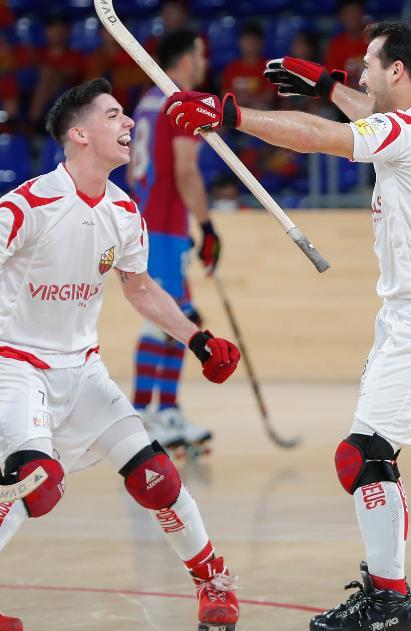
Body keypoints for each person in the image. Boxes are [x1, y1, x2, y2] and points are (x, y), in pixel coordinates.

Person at [166, 21, 411, 631]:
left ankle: (390, 599)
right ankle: (386, 593)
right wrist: (329, 83)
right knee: (372, 458)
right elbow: (363, 120)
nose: (361, 74)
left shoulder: (409, 133)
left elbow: (326, 138)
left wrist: (227, 113)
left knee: (360, 457)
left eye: (367, 65)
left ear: (397, 72)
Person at [0, 78, 242, 631]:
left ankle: (213, 580)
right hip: (15, 366)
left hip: (83, 372)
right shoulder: (27, 205)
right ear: (79, 134)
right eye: (115, 116)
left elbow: (140, 289)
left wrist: (199, 339)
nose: (129, 125)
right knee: (33, 480)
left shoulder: (123, 211)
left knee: (156, 477)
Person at [127, 30, 221, 454]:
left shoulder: (147, 102)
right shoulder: (180, 102)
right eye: (200, 54)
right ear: (186, 59)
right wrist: (207, 227)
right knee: (168, 320)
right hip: (162, 226)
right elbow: (186, 171)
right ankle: (144, 415)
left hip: (153, 223)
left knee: (179, 317)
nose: (204, 61)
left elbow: (133, 171)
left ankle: (164, 410)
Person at [219, 22, 275, 110]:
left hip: (258, 110)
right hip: (237, 109)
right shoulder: (232, 67)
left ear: (261, 43)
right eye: (246, 40)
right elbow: (225, 93)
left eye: (253, 40)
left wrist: (251, 99)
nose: (250, 44)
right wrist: (239, 100)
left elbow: (269, 96)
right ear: (239, 42)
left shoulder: (269, 67)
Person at [325, 0, 367, 86]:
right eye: (347, 13)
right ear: (341, 16)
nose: (351, 16)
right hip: (346, 94)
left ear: (361, 13)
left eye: (354, 12)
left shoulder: (375, 38)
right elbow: (332, 80)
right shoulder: (336, 45)